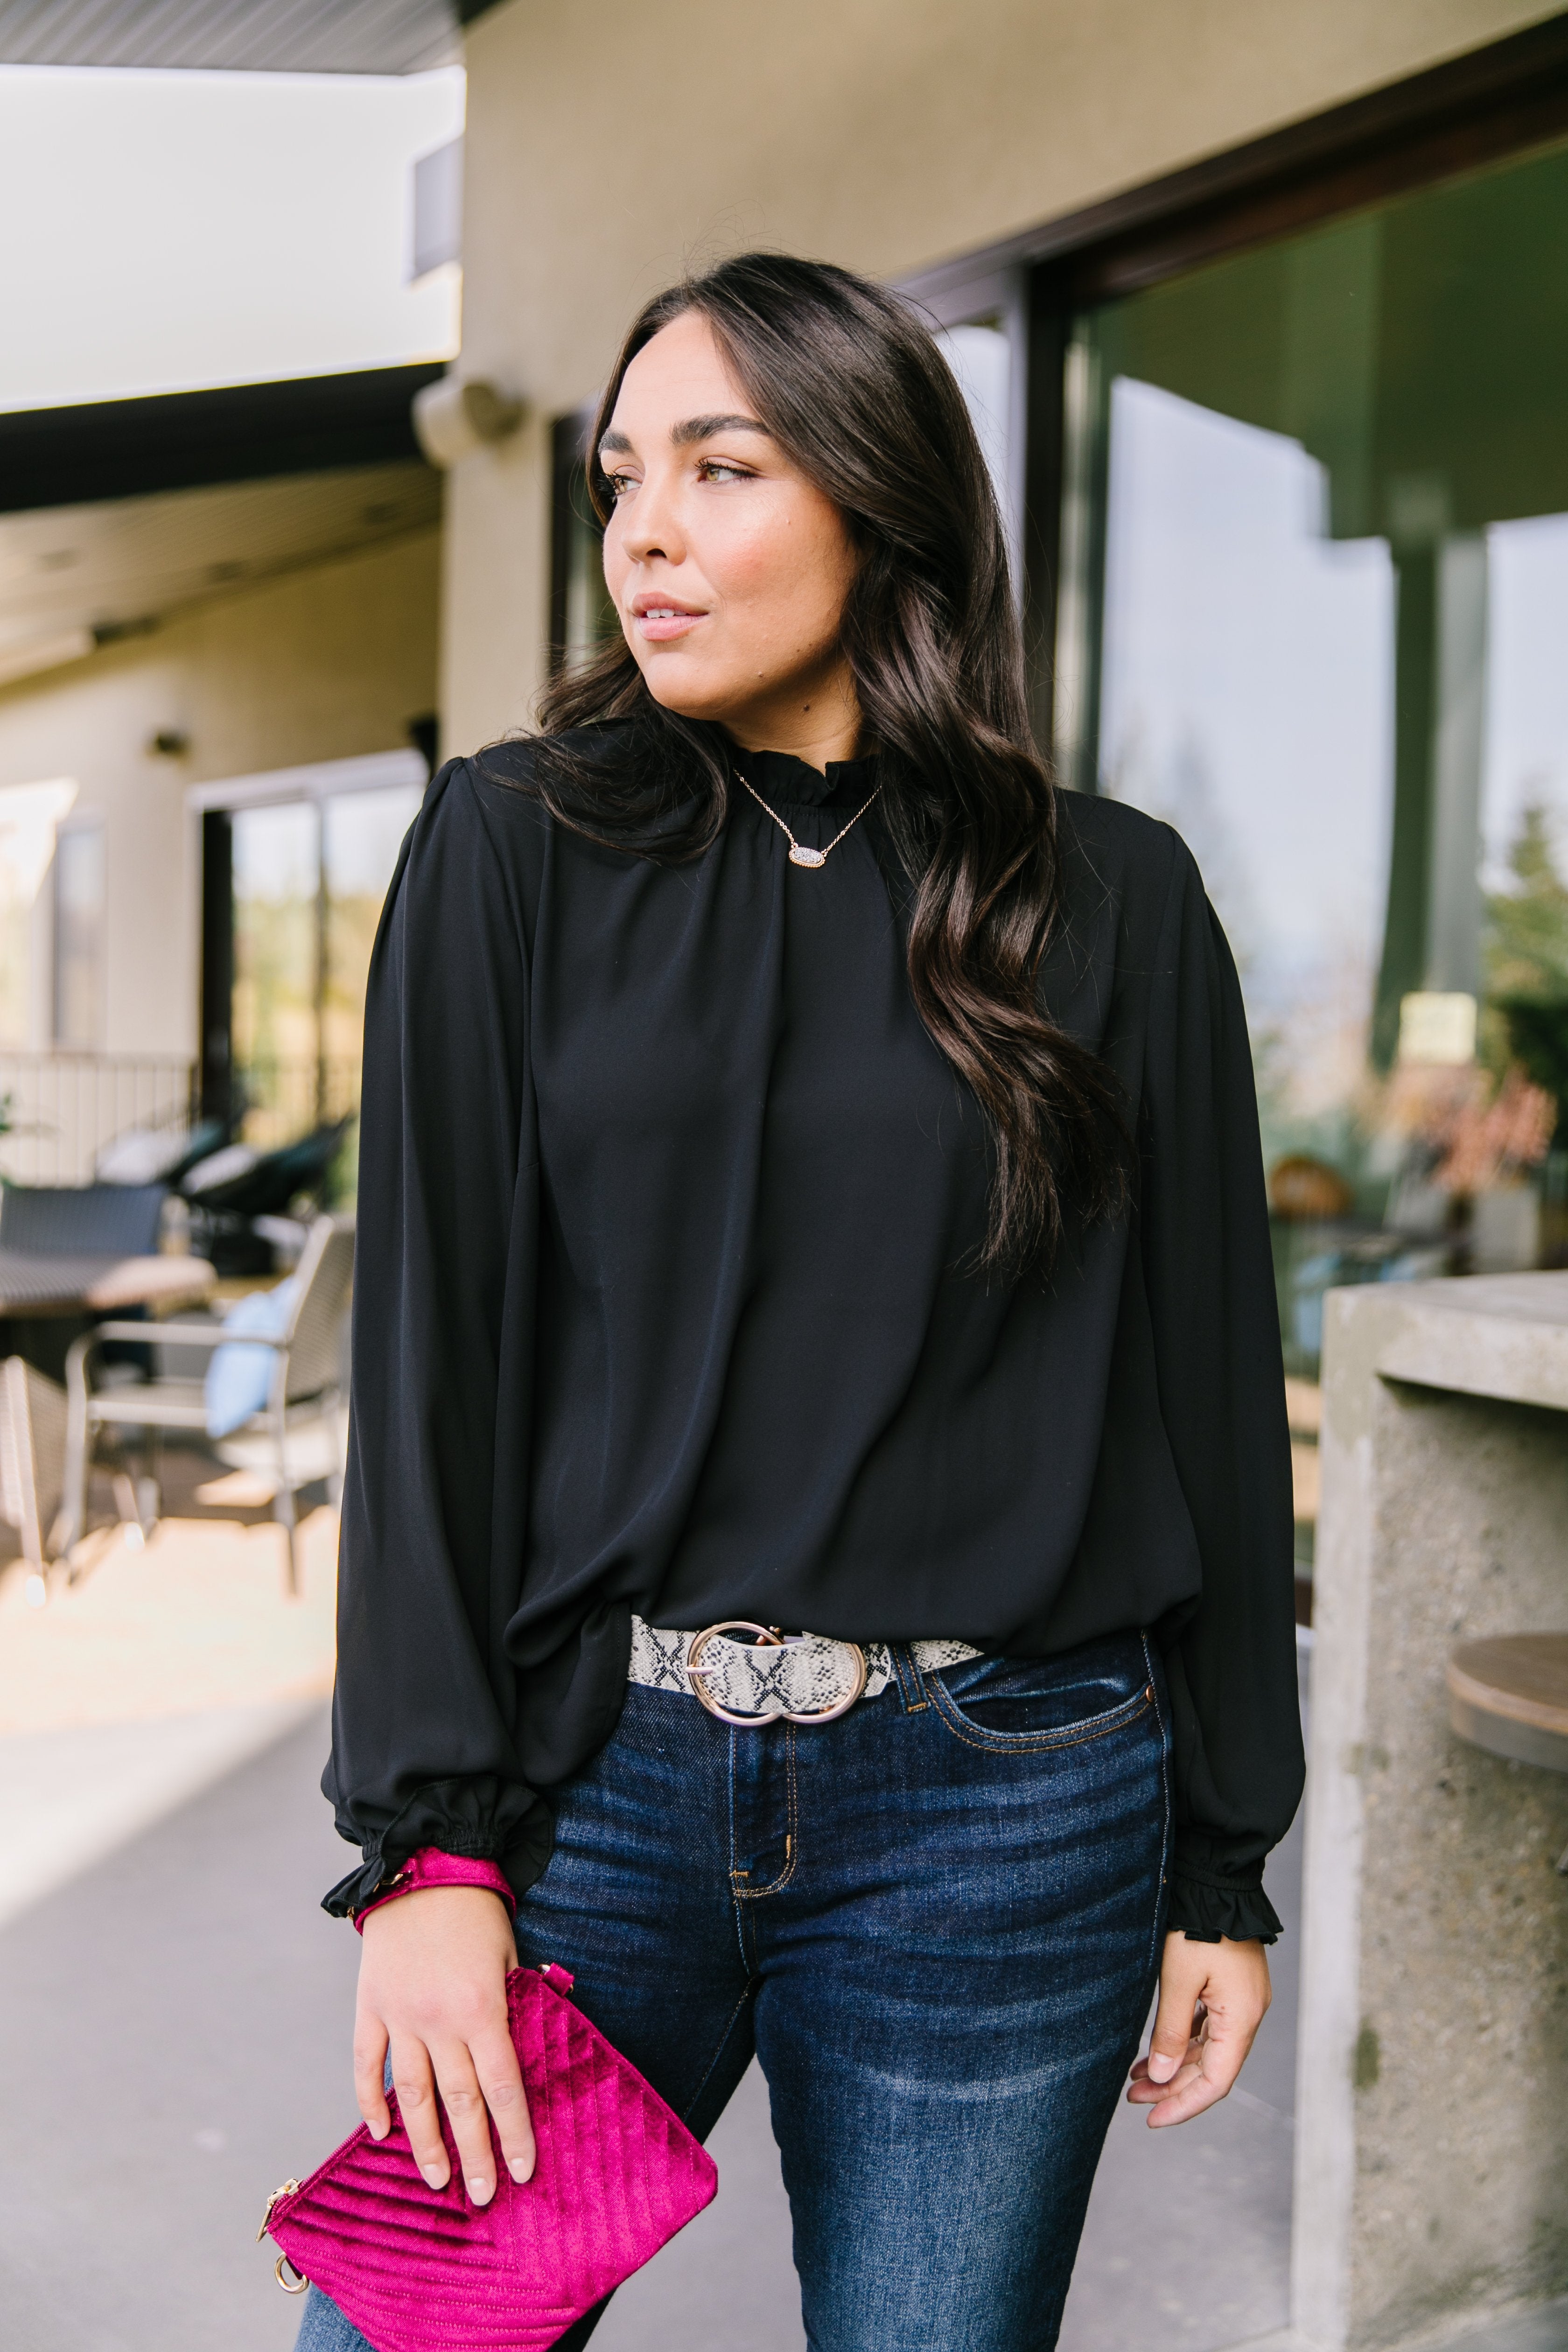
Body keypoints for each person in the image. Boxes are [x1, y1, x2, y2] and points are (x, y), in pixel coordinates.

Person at [300, 252, 1303, 2352]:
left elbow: (1201, 1380)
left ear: (879, 504)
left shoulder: (1110, 899)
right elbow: (432, 1380)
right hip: (602, 1797)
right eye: (618, 480)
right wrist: (426, 1856)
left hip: (1006, 1810)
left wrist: (1226, 1854)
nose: (644, 532)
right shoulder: (512, 851)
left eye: (721, 468)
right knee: (416, 2341)